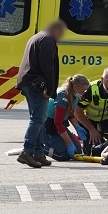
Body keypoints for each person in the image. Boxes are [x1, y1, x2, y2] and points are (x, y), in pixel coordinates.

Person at [15, 20, 65, 168]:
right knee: (38, 118)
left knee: (38, 119)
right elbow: (48, 67)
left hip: (27, 82)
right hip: (37, 84)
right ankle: (27, 152)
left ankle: (38, 153)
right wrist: (50, 89)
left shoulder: (37, 37)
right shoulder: (48, 40)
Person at [74, 67, 108, 155]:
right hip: (89, 122)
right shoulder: (90, 90)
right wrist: (92, 130)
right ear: (102, 79)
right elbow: (77, 112)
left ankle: (107, 143)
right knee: (89, 152)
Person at [44, 75, 90, 161]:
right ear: (75, 87)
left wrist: (77, 127)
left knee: (77, 152)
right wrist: (69, 143)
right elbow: (58, 122)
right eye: (82, 91)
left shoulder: (74, 95)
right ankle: (40, 147)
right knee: (64, 156)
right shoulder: (63, 96)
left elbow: (70, 113)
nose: (83, 93)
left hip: (59, 124)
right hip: (48, 126)